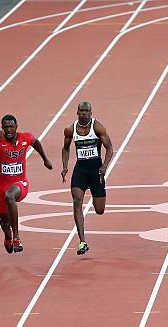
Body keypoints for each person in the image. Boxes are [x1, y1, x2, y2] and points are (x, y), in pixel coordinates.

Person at [0, 114, 53, 253]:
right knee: (4, 222)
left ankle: (17, 237)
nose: (9, 130)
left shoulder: (25, 137)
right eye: (6, 127)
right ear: (2, 128)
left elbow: (36, 142)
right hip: (1, 186)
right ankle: (7, 236)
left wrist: (45, 159)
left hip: (20, 182)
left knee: (10, 196)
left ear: (16, 127)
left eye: (11, 126)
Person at [62, 102, 113, 255]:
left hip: (96, 171)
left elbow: (109, 147)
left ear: (91, 113)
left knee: (99, 210)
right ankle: (82, 241)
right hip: (80, 170)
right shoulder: (70, 129)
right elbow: (65, 148)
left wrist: (104, 166)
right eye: (81, 111)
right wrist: (65, 166)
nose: (84, 113)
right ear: (77, 112)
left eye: (87, 111)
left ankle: (99, 193)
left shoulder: (97, 127)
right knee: (77, 200)